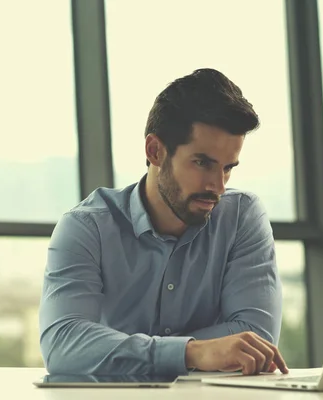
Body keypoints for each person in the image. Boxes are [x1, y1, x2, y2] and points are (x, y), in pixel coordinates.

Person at [39, 68, 288, 376]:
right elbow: (63, 345)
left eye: (227, 168)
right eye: (202, 163)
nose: (218, 186)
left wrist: (123, 351)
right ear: (155, 151)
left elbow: (256, 338)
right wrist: (190, 353)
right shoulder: (86, 228)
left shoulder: (241, 217)